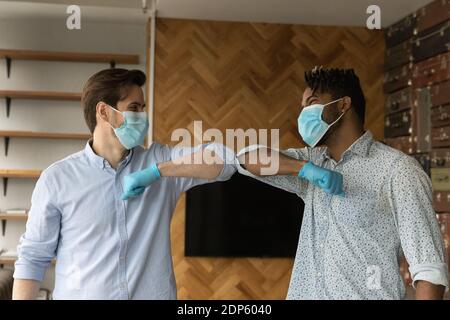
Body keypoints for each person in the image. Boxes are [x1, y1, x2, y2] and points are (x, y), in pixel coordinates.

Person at [12, 68, 237, 300]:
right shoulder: (57, 179)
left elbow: (225, 161)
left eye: (142, 108)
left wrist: (158, 171)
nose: (143, 116)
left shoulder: (159, 161)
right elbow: (33, 258)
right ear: (104, 112)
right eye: (134, 108)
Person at [236, 67, 448, 300]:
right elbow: (245, 160)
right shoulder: (314, 162)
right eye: (303, 106)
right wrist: (304, 169)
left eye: (312, 103)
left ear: (343, 105)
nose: (303, 113)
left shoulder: (398, 170)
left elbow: (430, 271)